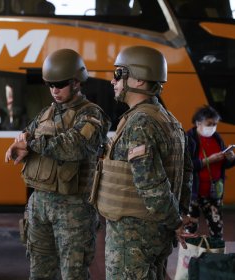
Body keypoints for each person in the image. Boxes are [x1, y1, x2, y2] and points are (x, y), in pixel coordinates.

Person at [90, 45, 195, 279]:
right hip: (155, 233)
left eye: (118, 73)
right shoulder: (170, 121)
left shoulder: (140, 122)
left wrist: (175, 222)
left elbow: (151, 184)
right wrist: (177, 217)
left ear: (138, 80)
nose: (112, 81)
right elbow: (186, 174)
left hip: (133, 237)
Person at [5, 48, 111, 279]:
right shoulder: (47, 113)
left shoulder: (91, 114)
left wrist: (31, 141)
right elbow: (28, 134)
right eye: (50, 84)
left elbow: (73, 146)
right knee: (39, 271)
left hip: (73, 208)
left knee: (73, 273)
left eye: (60, 84)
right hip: (39, 204)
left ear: (76, 82)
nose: (54, 90)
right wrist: (19, 143)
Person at [186, 105, 235, 240]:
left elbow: (225, 163)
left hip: (213, 193)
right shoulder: (189, 138)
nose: (212, 127)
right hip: (193, 194)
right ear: (198, 123)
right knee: (189, 230)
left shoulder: (217, 138)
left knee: (217, 229)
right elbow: (186, 165)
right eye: (209, 124)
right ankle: (189, 259)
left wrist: (231, 158)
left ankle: (215, 258)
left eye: (215, 124)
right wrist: (208, 160)